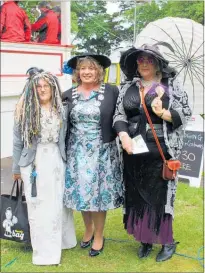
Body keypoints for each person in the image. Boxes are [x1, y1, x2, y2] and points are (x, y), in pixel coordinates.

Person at [113, 44, 192, 262]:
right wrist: (124, 136)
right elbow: (119, 114)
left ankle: (167, 241)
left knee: (160, 197)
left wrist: (163, 113)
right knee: (136, 194)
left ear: (158, 62)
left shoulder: (171, 85)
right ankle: (145, 238)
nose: (144, 63)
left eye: (149, 59)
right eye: (140, 60)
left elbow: (185, 113)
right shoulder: (129, 86)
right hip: (132, 149)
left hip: (160, 150)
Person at [12, 67, 77, 265]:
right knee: (39, 206)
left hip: (56, 160)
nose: (41, 89)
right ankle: (44, 252)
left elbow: (66, 137)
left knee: (58, 203)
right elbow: (17, 141)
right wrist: (16, 168)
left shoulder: (61, 109)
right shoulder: (24, 110)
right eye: (38, 86)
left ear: (53, 87)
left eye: (45, 86)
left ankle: (62, 241)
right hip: (34, 162)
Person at [63, 54, 123, 257]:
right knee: (82, 193)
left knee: (98, 196)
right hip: (76, 152)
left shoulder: (112, 92)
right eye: (82, 68)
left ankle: (99, 235)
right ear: (77, 72)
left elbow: (123, 115)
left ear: (99, 71)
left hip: (102, 152)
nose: (86, 72)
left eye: (91, 68)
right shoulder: (68, 94)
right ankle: (88, 229)